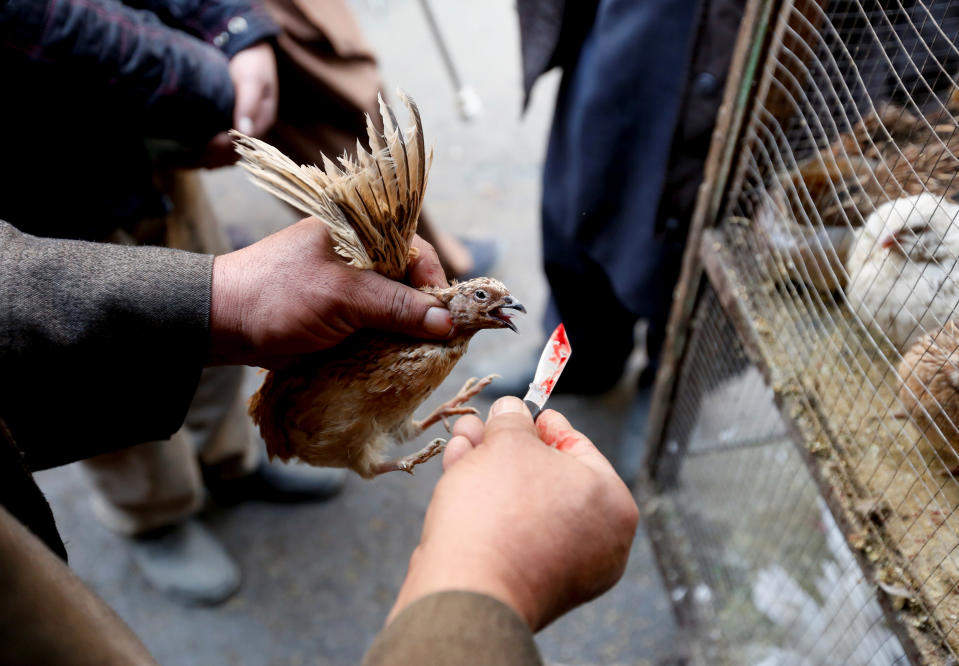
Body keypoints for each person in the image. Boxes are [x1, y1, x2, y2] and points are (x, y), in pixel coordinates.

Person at [0, 0, 495, 604]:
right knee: (92, 348)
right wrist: (202, 83)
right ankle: (157, 513)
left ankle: (229, 459)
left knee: (204, 336)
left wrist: (234, 25)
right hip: (34, 192)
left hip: (151, 153)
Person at [0, 218, 638, 664]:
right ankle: (157, 516)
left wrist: (214, 298)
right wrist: (492, 574)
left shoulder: (441, 342)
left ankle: (232, 467)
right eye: (485, 298)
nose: (501, 306)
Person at [507, 0, 745, 479]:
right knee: (588, 184)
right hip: (635, 30)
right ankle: (584, 357)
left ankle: (666, 392)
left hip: (752, 55)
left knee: (704, 244)